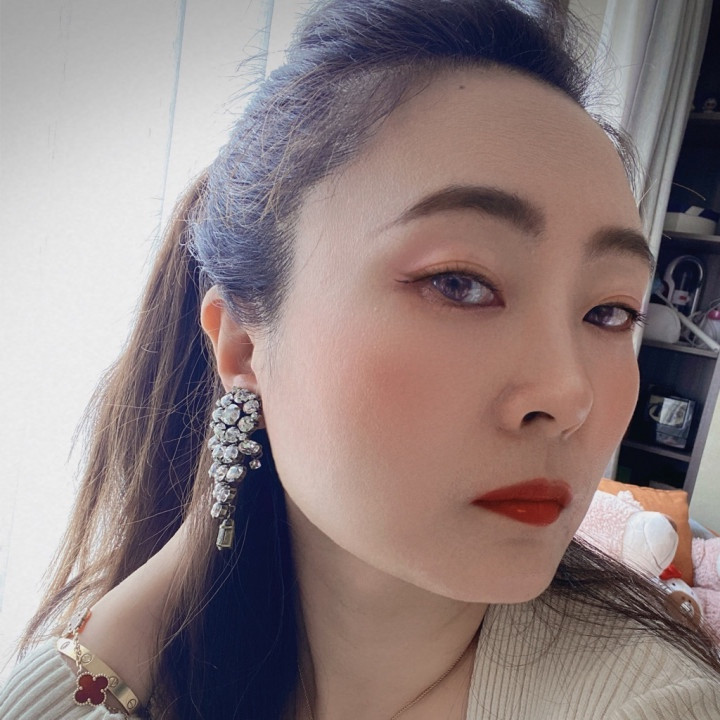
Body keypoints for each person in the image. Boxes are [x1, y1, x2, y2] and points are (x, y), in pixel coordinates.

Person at [1, 0, 719, 718]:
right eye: (460, 283)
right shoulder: (150, 662)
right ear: (244, 344)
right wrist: (172, 589)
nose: (569, 395)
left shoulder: (657, 705)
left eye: (609, 311)